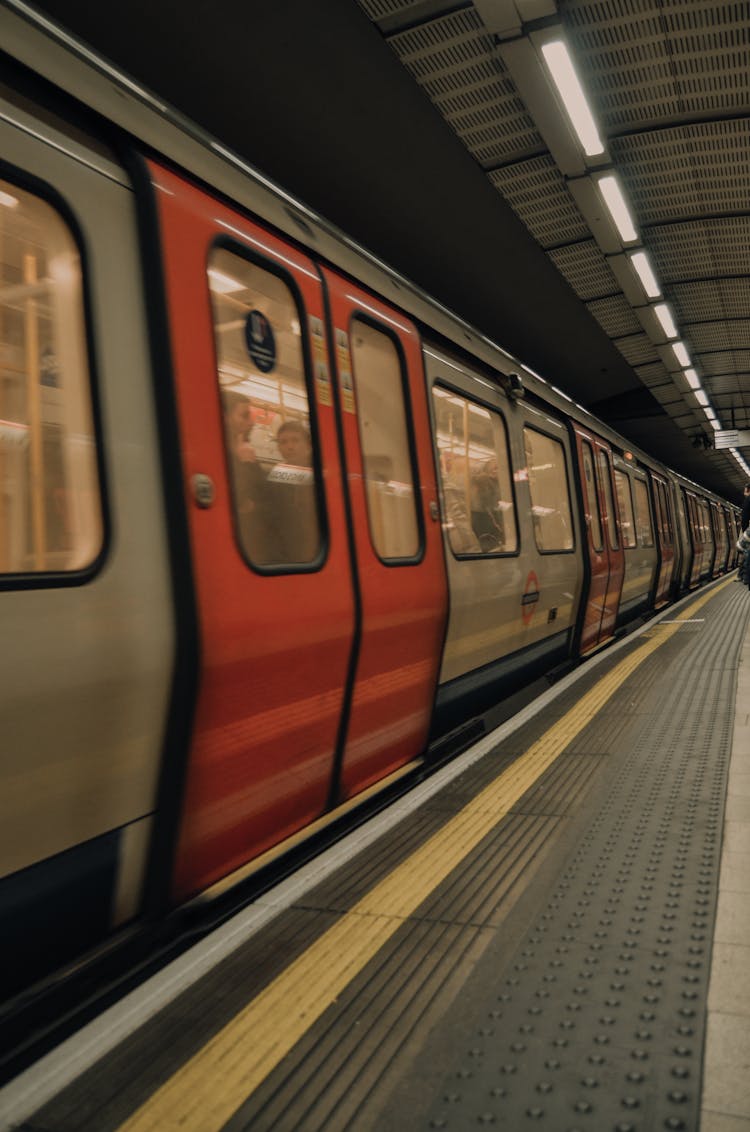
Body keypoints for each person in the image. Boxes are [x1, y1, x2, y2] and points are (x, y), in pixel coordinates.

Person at [222, 389, 277, 563]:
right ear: (225, 418)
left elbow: (268, 502)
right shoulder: (225, 459)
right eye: (244, 416)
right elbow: (239, 502)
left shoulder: (250, 459)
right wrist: (243, 463)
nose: (251, 423)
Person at [265, 418, 319, 563]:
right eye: (283, 442)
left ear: (308, 444)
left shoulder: (322, 471)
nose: (289, 446)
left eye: (295, 440)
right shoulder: (277, 475)